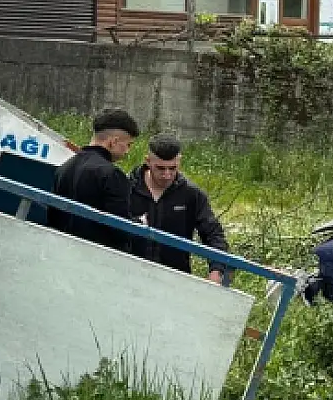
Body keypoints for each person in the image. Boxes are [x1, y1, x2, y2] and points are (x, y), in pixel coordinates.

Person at [128, 134, 230, 283]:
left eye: (172, 168)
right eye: (160, 168)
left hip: (174, 279)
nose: (167, 175)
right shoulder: (127, 188)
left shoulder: (191, 195)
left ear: (179, 161)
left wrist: (217, 270)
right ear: (148, 161)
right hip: (128, 273)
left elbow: (213, 234)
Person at [48, 109, 139, 250]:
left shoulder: (64, 168)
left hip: (60, 249)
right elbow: (121, 228)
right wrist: (138, 223)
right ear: (113, 141)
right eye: (128, 145)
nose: (127, 151)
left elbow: (52, 216)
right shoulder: (112, 174)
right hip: (96, 255)